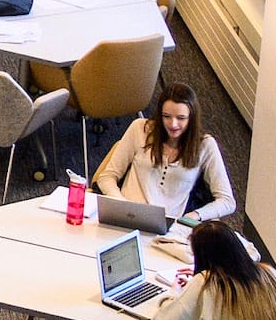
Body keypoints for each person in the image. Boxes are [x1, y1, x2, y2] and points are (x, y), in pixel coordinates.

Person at [93, 82, 237, 225]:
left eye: (181, 118)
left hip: (170, 229)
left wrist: (195, 215)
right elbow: (107, 177)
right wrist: (122, 205)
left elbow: (227, 201)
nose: (173, 124)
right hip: (126, 218)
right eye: (166, 116)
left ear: (191, 118)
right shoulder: (140, 129)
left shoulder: (205, 145)